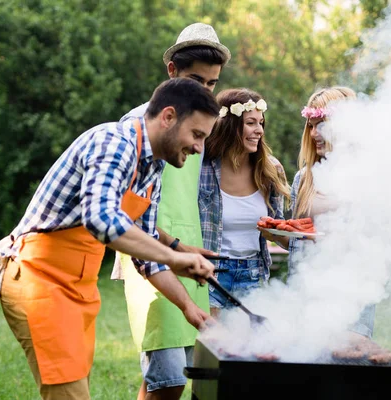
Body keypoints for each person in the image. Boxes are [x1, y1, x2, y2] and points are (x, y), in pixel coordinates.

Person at [0, 78, 220, 400]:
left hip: (79, 287)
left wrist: (187, 306)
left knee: (74, 389)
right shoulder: (114, 142)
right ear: (168, 117)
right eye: (197, 134)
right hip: (39, 278)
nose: (199, 147)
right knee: (69, 393)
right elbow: (101, 219)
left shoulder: (154, 167)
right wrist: (174, 256)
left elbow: (146, 252)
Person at [111, 23, 231, 400]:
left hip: (186, 253)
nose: (204, 90)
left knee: (183, 371)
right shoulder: (138, 126)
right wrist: (171, 249)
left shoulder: (202, 128)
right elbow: (128, 216)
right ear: (172, 72)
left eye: (212, 84)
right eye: (197, 79)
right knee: (167, 378)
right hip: (150, 252)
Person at [263, 86, 375, 338]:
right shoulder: (304, 178)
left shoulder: (368, 176)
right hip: (304, 295)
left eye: (321, 124)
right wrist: (273, 233)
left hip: (351, 300)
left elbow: (377, 246)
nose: (313, 133)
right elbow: (298, 242)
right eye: (310, 126)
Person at [200, 88, 290, 317]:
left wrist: (291, 236)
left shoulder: (270, 169)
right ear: (229, 125)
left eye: (261, 123)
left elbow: (278, 228)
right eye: (251, 123)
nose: (259, 130)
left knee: (248, 351)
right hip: (211, 274)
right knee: (213, 348)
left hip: (253, 275)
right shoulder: (202, 168)